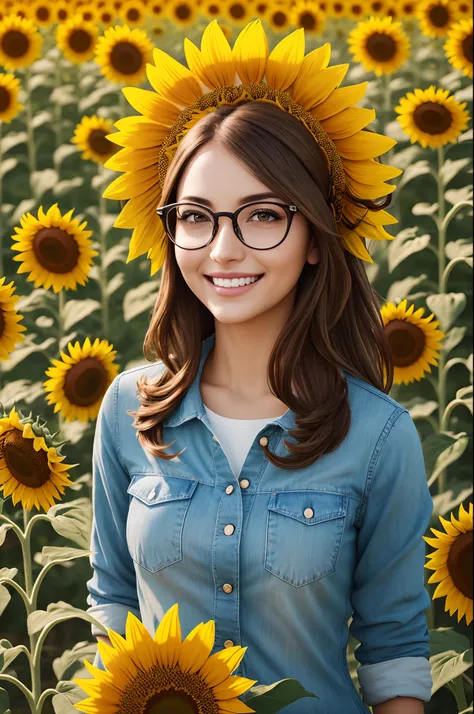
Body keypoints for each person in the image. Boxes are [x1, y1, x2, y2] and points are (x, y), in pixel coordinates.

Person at [85, 18, 434, 714]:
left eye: (263, 214)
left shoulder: (377, 437)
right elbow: (112, 603)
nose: (223, 250)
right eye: (197, 216)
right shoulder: (129, 412)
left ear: (313, 235)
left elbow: (394, 650)